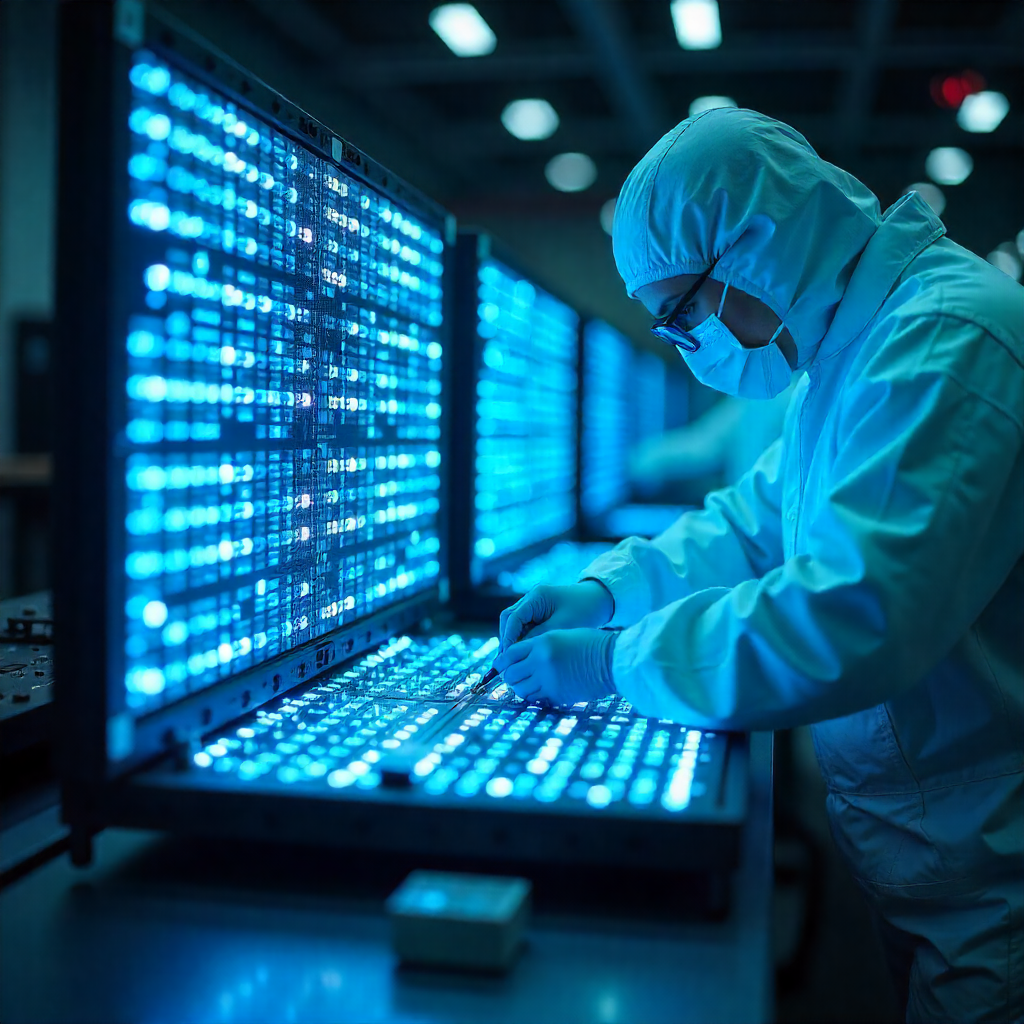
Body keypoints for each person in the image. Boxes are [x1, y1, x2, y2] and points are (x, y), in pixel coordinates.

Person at [490, 108, 1023, 1023]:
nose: (685, 344)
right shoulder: (855, 351)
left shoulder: (948, 341)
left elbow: (855, 613)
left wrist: (613, 663)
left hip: (997, 884)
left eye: (680, 316)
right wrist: (607, 591)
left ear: (749, 247)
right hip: (942, 858)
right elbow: (753, 526)